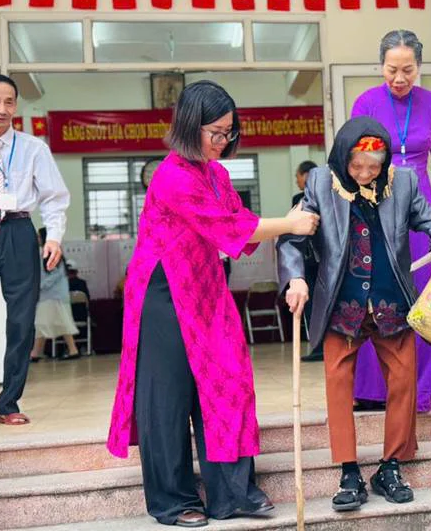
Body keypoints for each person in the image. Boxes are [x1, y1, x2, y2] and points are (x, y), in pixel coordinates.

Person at [106, 81, 319, 528]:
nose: (223, 142)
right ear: (189, 127)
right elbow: (227, 226)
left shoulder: (217, 173)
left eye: (228, 133)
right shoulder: (171, 176)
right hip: (163, 290)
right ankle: (173, 500)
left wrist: (279, 224)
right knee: (169, 395)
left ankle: (232, 493)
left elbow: (238, 223)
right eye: (215, 133)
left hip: (206, 287)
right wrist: (290, 223)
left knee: (228, 380)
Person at [278, 117, 431, 512]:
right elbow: (292, 236)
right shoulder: (322, 183)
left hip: (391, 300)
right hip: (343, 303)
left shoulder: (403, 181)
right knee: (339, 387)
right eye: (357, 166)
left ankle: (390, 466)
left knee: (404, 382)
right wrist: (294, 279)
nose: (364, 174)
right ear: (343, 158)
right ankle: (349, 471)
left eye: (373, 167)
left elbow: (429, 218)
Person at [350, 29, 431, 413]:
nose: (400, 78)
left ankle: (421, 387)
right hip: (377, 204)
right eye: (392, 69)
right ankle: (374, 389)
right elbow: (352, 160)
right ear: (381, 66)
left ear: (419, 67)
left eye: (408, 70)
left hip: (421, 209)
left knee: (424, 294)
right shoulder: (365, 102)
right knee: (377, 294)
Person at [0, 74, 70, 426]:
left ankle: (8, 402)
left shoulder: (33, 147)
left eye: (9, 102)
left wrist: (53, 236)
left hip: (19, 231)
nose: (2, 109)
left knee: (22, 320)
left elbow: (54, 196)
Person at [30, 228, 80, 362]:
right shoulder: (49, 252)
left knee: (42, 323)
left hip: (51, 295)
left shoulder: (50, 252)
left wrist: (40, 285)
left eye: (39, 237)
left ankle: (35, 354)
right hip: (52, 295)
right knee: (57, 323)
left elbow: (55, 275)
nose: (38, 239)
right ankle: (72, 350)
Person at [291, 160, 322, 362]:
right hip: (309, 260)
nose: (297, 181)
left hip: (322, 258)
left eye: (298, 177)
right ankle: (317, 346)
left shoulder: (323, 196)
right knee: (311, 304)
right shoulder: (298, 198)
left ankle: (322, 347)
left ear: (306, 175)